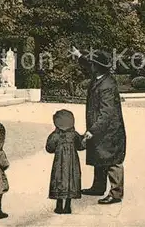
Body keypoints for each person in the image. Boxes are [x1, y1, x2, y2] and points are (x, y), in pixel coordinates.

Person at [70, 47, 126, 205]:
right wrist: (79, 55)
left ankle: (116, 193)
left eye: (93, 63)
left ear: (97, 66)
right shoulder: (100, 76)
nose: (90, 65)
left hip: (109, 130)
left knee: (111, 159)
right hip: (103, 127)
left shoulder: (106, 85)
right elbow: (88, 63)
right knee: (100, 156)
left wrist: (92, 131)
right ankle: (98, 187)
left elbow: (107, 113)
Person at [46, 109, 86, 214]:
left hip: (59, 163)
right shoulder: (74, 134)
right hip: (72, 163)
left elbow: (49, 148)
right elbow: (81, 146)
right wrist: (85, 140)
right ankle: (68, 206)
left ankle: (59, 207)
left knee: (59, 180)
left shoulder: (55, 135)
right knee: (71, 181)